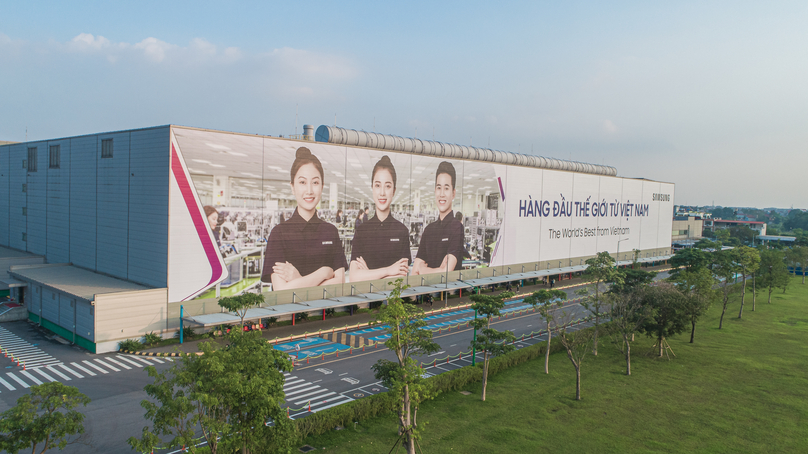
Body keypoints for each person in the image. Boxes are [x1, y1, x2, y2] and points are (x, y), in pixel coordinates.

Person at [261, 147, 347, 291]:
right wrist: (323, 272)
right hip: (291, 312)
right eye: (302, 182)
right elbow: (281, 291)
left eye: (315, 182)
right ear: (292, 187)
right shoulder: (279, 234)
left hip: (327, 311)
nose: (309, 190)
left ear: (322, 186)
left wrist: (298, 280)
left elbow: (340, 283)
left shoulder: (330, 231)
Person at [349, 156, 411, 282]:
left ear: (393, 191)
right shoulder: (362, 231)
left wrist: (368, 274)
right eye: (378, 185)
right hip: (366, 300)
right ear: (372, 188)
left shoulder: (402, 231)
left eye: (387, 186)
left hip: (394, 300)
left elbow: (401, 277)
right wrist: (389, 271)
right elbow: (354, 277)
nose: (382, 192)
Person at [412, 161, 465, 275]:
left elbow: (445, 273)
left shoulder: (457, 228)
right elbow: (414, 274)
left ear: (453, 193)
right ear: (435, 191)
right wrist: (437, 271)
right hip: (426, 293)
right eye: (438, 188)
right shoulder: (428, 230)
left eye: (446, 188)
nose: (441, 194)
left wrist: (423, 270)